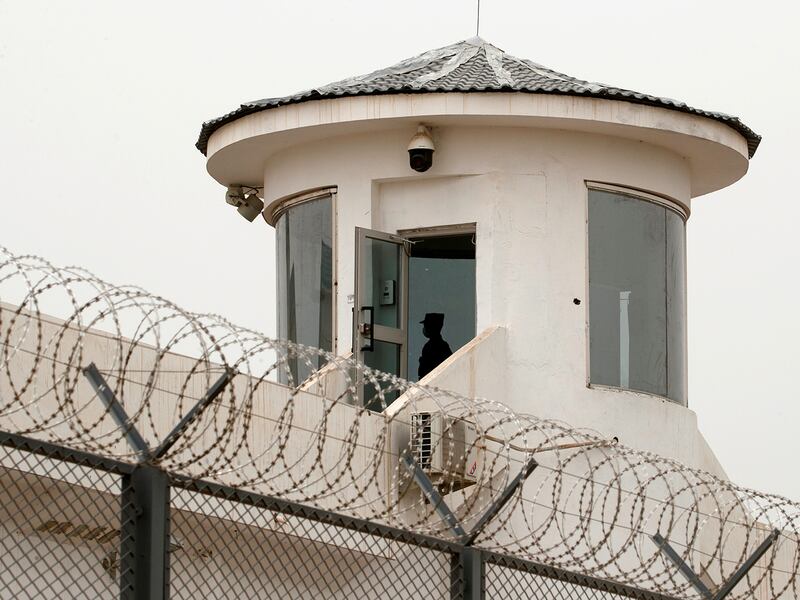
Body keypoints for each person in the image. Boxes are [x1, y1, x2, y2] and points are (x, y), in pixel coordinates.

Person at [418, 313, 452, 379]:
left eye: (426, 326)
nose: (424, 328)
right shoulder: (441, 345)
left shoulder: (436, 346)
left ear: (431, 327)